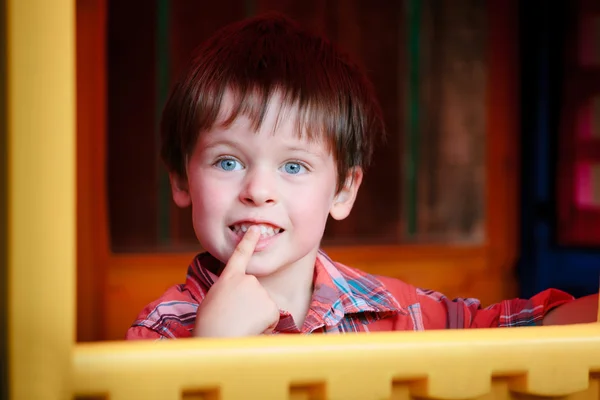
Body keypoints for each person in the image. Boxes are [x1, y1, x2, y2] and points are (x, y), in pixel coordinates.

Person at [126, 13, 598, 340]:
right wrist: (210, 352)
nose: (258, 192)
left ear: (344, 189)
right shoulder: (159, 332)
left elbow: (517, 333)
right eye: (228, 162)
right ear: (182, 180)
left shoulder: (396, 312)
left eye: (294, 166)